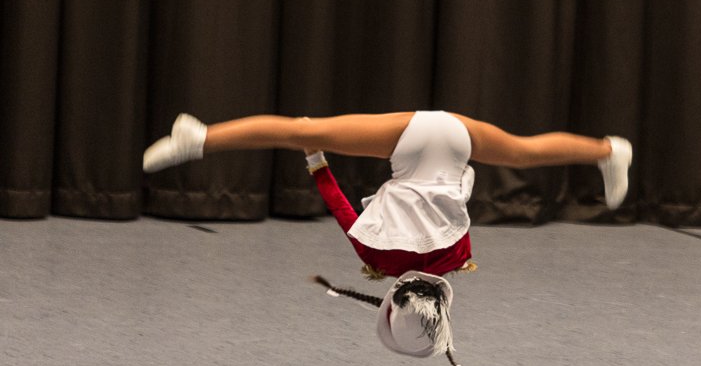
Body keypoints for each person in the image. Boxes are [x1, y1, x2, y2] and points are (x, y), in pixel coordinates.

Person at [143, 111, 632, 279]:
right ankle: (201, 139)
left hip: (451, 140)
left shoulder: (451, 256)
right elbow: (340, 206)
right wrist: (316, 159)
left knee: (525, 154)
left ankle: (608, 150)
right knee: (301, 131)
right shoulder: (377, 254)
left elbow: (465, 199)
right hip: (415, 142)